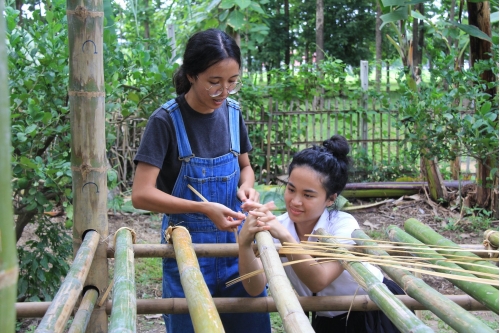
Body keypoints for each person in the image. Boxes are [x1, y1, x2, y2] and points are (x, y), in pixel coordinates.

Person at [132, 28, 271, 333]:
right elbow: (141, 194)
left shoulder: (233, 114)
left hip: (239, 249)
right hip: (188, 254)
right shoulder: (165, 121)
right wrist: (203, 209)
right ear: (192, 75)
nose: (223, 92)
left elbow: (245, 167)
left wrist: (247, 187)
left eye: (232, 82)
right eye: (214, 82)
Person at [239, 135, 404, 333]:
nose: (295, 201)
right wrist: (245, 244)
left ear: (331, 198)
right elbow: (254, 287)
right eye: (291, 189)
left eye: (308, 195)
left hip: (372, 311)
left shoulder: (343, 226)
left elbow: (318, 279)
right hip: (325, 318)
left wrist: (286, 237)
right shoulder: (279, 225)